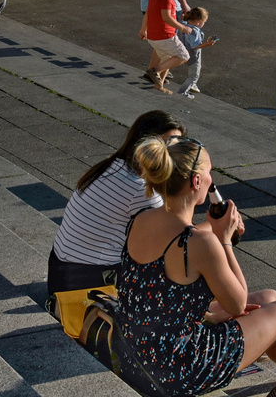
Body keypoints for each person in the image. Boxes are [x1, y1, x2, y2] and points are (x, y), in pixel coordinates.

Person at [121, 136, 276, 397]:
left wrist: (209, 314)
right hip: (177, 370)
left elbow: (159, 292)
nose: (211, 180)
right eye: (209, 173)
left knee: (270, 298)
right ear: (196, 182)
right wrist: (224, 239)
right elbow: (237, 303)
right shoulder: (199, 243)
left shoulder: (140, 219)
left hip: (140, 355)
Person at [48, 110, 185, 334]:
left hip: (61, 274)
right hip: (86, 286)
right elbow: (179, 240)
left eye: (178, 145)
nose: (173, 154)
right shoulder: (141, 189)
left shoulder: (112, 165)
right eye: (167, 144)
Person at [139, 0, 191, 93]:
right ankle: (153, 71)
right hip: (165, 36)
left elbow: (147, 14)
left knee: (167, 59)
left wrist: (143, 30)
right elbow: (166, 17)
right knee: (183, 56)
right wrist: (182, 27)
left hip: (153, 37)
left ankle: (159, 85)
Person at [175, 7, 215, 98]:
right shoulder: (195, 32)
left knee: (192, 74)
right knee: (194, 75)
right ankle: (182, 91)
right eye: (204, 22)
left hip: (182, 50)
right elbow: (195, 46)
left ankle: (192, 85)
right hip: (193, 55)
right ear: (198, 21)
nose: (203, 24)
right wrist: (207, 44)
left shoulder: (184, 24)